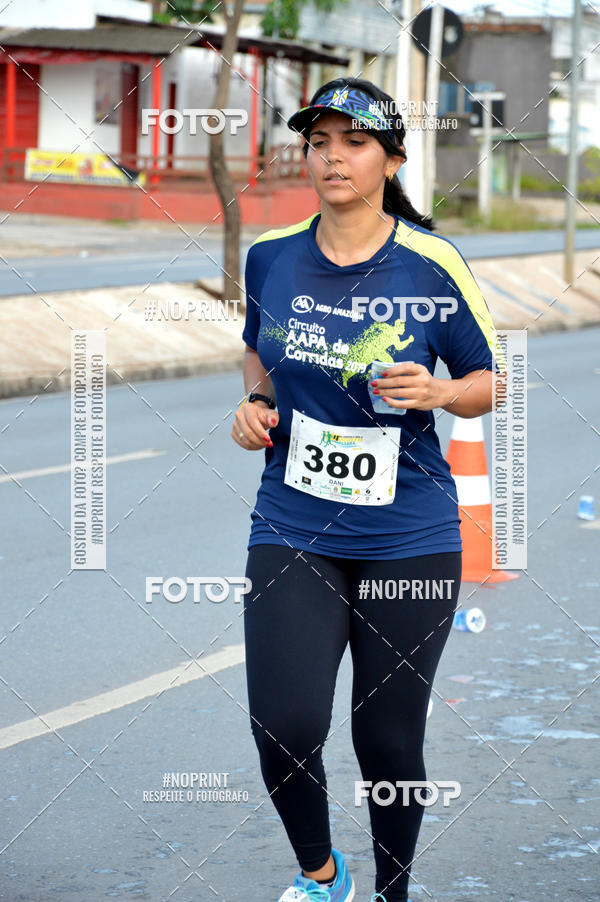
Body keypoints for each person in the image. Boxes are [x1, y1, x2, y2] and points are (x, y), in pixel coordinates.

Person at [232, 77, 502, 902]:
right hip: (294, 520)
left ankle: (394, 890)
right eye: (319, 142)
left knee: (386, 739)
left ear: (389, 157)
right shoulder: (272, 256)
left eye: (353, 142)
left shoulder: (430, 262)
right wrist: (256, 404)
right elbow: (258, 350)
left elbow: (488, 381)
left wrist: (440, 393)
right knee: (285, 725)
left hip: (409, 532)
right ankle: (323, 876)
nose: (333, 157)